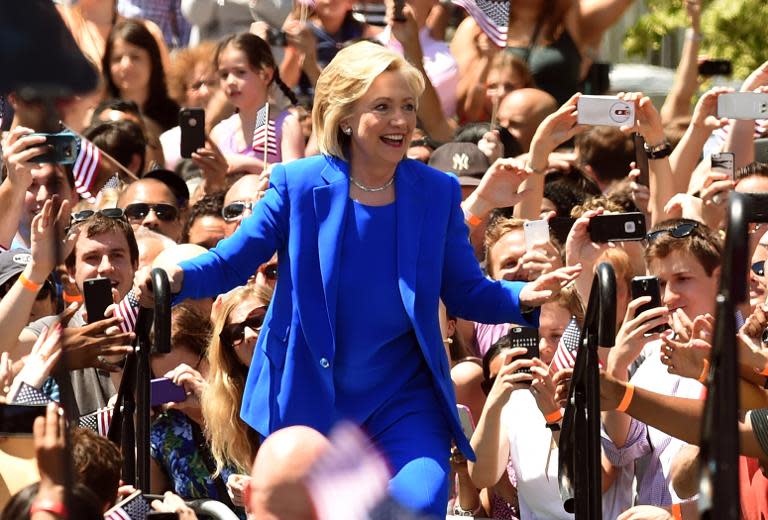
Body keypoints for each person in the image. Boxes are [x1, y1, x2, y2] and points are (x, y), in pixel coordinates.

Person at [136, 40, 580, 517]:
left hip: (405, 401)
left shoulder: (436, 190)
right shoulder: (298, 184)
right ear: (345, 117)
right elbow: (230, 262)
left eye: (408, 106)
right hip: (313, 399)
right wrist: (175, 274)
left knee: (415, 503)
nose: (401, 120)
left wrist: (523, 296)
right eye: (383, 106)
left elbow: (465, 289)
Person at [210, 33, 304, 174]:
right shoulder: (219, 133)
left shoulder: (285, 124)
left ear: (266, 75)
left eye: (240, 72)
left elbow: (295, 181)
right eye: (224, 75)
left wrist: (248, 164)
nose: (230, 81)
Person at [103, 19, 180, 132]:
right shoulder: (101, 119)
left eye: (135, 57)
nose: (126, 65)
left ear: (153, 61)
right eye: (117, 59)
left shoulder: (175, 116)